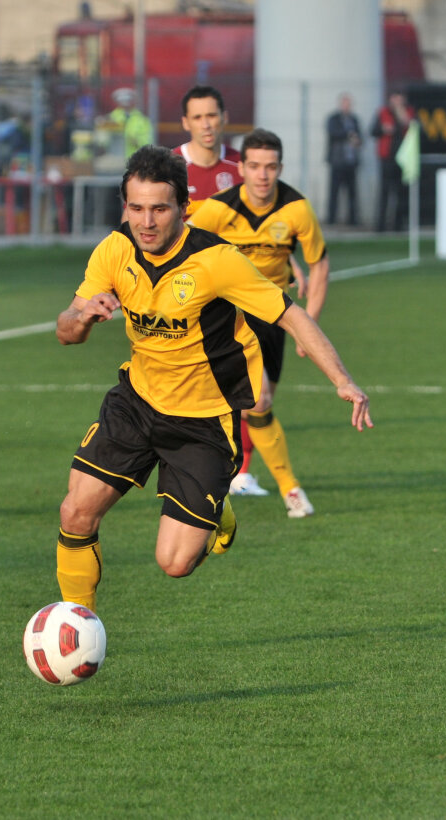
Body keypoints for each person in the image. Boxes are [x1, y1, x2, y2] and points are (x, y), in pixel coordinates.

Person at [53, 145, 372, 612]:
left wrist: (343, 380)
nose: (146, 221)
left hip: (202, 422)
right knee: (75, 512)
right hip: (137, 402)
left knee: (175, 563)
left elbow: (291, 316)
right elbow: (66, 330)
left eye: (159, 209)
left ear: (184, 208)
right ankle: (76, 623)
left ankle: (217, 512)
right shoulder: (114, 249)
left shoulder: (216, 261)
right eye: (136, 208)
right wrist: (82, 318)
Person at [190, 128, 329, 519]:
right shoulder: (218, 209)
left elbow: (320, 264)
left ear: (280, 168)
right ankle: (291, 489)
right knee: (259, 399)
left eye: (270, 167)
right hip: (231, 314)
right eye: (254, 166)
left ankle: (230, 474)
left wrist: (310, 323)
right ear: (242, 168)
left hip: (276, 312)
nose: (263, 175)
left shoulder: (297, 209)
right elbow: (186, 250)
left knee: (258, 406)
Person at [176, 85, 241, 219]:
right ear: (185, 123)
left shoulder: (242, 166)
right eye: (197, 118)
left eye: (211, 116)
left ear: (225, 117)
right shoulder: (166, 166)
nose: (206, 125)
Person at [370, 91, 414, 233]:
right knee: (385, 192)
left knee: (401, 193)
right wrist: (383, 129)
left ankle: (398, 224)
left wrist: (403, 116)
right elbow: (373, 131)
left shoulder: (408, 112)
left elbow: (414, 128)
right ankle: (381, 225)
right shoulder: (383, 113)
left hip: (403, 159)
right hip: (387, 158)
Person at [325, 93, 362, 226]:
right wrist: (348, 135)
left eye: (349, 103)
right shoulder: (333, 119)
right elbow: (333, 133)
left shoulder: (354, 119)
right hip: (337, 161)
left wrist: (357, 140)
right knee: (334, 192)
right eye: (345, 103)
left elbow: (360, 136)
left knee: (352, 193)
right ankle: (331, 219)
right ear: (340, 104)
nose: (347, 106)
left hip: (351, 162)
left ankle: (353, 219)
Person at [106, 87, 153, 159]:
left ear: (133, 102)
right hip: (115, 160)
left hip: (136, 159)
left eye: (127, 101)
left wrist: (138, 142)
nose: (125, 105)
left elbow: (149, 141)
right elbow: (103, 140)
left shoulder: (142, 120)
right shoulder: (110, 119)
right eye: (122, 102)